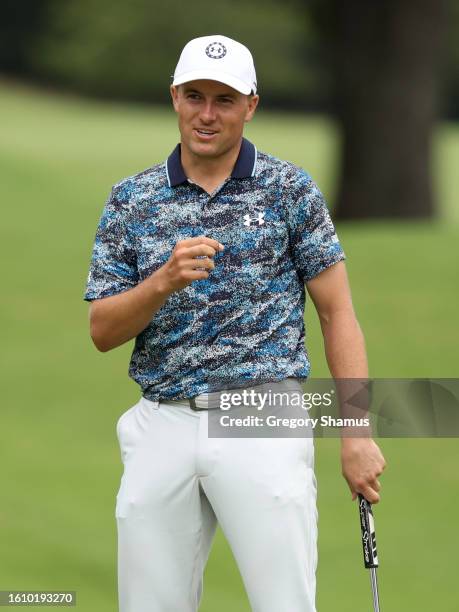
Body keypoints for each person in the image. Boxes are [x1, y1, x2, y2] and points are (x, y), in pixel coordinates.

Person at [84, 34, 386, 612]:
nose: (206, 113)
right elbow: (102, 330)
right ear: (174, 96)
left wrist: (357, 431)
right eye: (194, 95)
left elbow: (337, 313)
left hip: (261, 414)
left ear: (251, 104)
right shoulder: (131, 200)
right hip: (162, 420)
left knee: (283, 604)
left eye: (224, 99)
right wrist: (162, 282)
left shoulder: (289, 190)